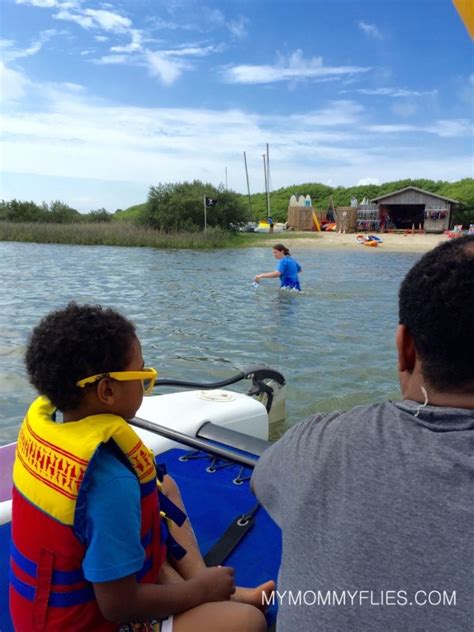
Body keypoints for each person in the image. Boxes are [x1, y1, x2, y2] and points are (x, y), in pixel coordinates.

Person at [252, 235, 474, 631]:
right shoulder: (294, 262)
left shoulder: (317, 441)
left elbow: (261, 485)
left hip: (289, 296)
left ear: (404, 347)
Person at [10, 302, 274, 632]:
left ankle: (204, 582)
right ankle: (210, 592)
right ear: (107, 391)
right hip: (99, 618)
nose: (148, 380)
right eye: (143, 374)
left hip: (43, 608)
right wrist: (199, 593)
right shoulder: (112, 485)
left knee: (165, 489)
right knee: (248, 623)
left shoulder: (53, 432)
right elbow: (119, 605)